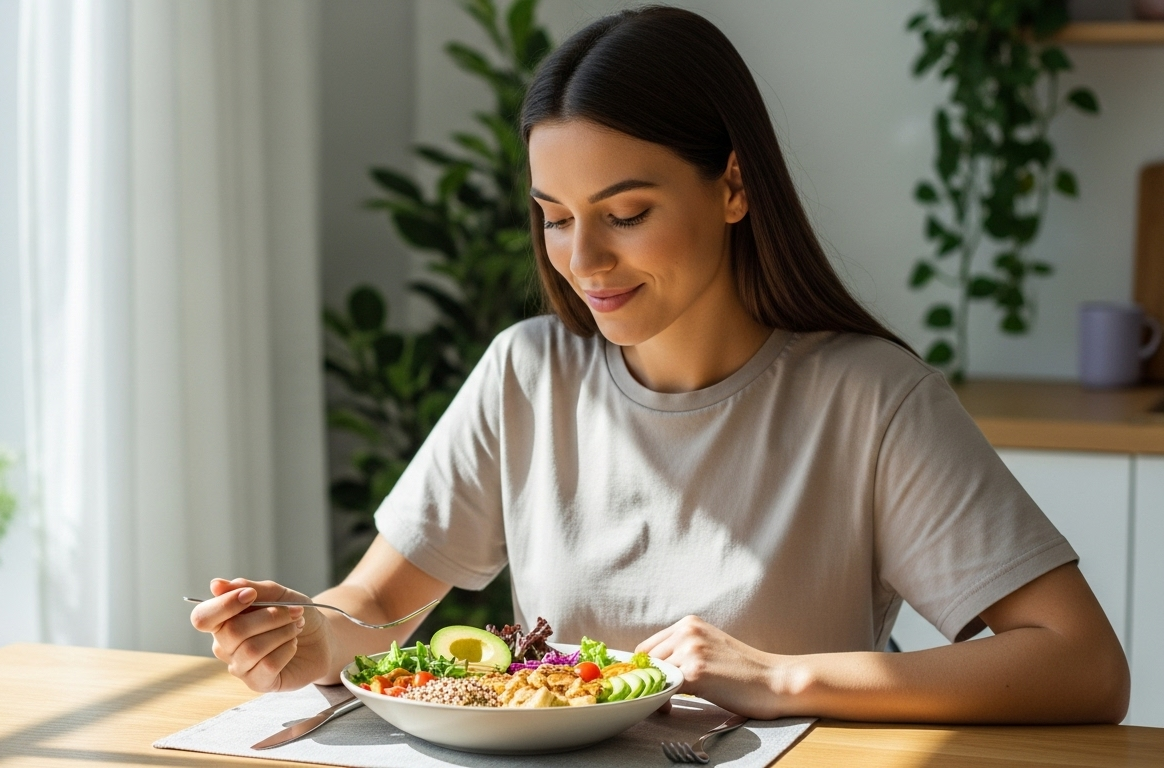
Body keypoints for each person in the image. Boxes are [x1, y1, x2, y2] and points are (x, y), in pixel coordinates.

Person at [190, 6, 1129, 723]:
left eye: (625, 213)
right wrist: (306, 634)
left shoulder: (870, 401)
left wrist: (781, 676)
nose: (583, 259)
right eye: (554, 216)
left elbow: (1082, 664)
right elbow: (374, 610)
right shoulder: (527, 375)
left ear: (731, 186)